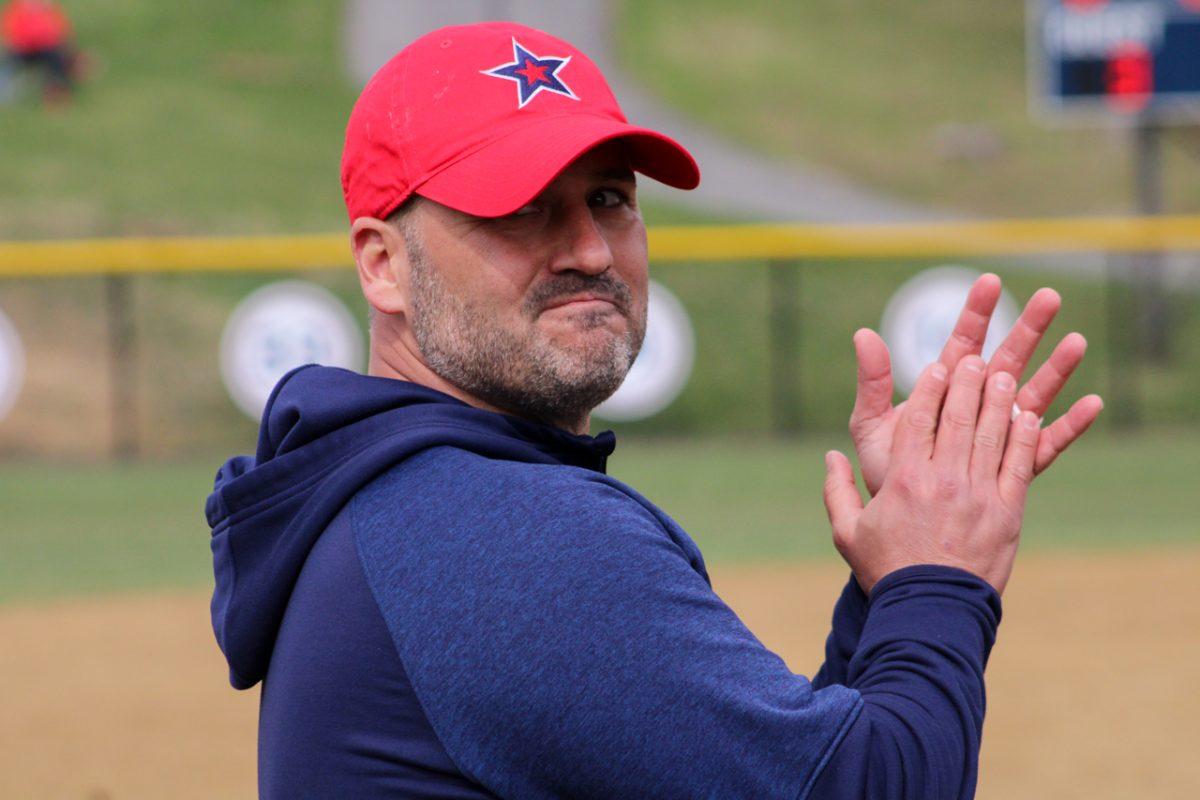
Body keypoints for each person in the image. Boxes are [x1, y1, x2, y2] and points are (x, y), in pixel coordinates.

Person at [205, 21, 1103, 799]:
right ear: (381, 265)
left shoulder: (405, 503)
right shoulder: (498, 533)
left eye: (610, 199)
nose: (591, 249)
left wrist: (889, 587)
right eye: (521, 209)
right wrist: (940, 579)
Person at [0, 0, 76, 105]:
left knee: (57, 59)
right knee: (9, 63)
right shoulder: (17, 8)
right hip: (22, 49)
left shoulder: (49, 9)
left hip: (45, 48)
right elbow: (9, 32)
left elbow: (60, 31)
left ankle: (57, 92)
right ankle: (3, 93)